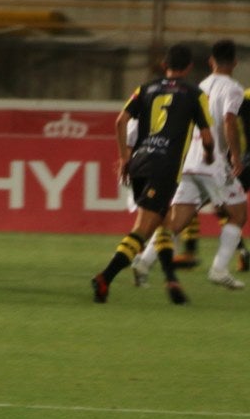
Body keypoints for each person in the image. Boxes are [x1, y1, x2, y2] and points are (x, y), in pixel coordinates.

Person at [91, 43, 213, 305]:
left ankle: (172, 281)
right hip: (164, 168)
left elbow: (120, 121)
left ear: (164, 65)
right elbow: (207, 136)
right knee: (142, 230)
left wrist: (125, 157)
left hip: (139, 164)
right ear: (189, 67)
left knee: (163, 223)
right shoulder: (195, 93)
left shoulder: (144, 89)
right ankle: (105, 277)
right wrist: (211, 155)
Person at [129, 40, 248, 290]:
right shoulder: (235, 89)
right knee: (238, 212)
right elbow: (228, 120)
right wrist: (235, 156)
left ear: (211, 62)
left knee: (177, 221)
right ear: (235, 63)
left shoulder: (198, 86)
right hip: (211, 161)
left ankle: (143, 263)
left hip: (187, 161)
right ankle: (219, 268)